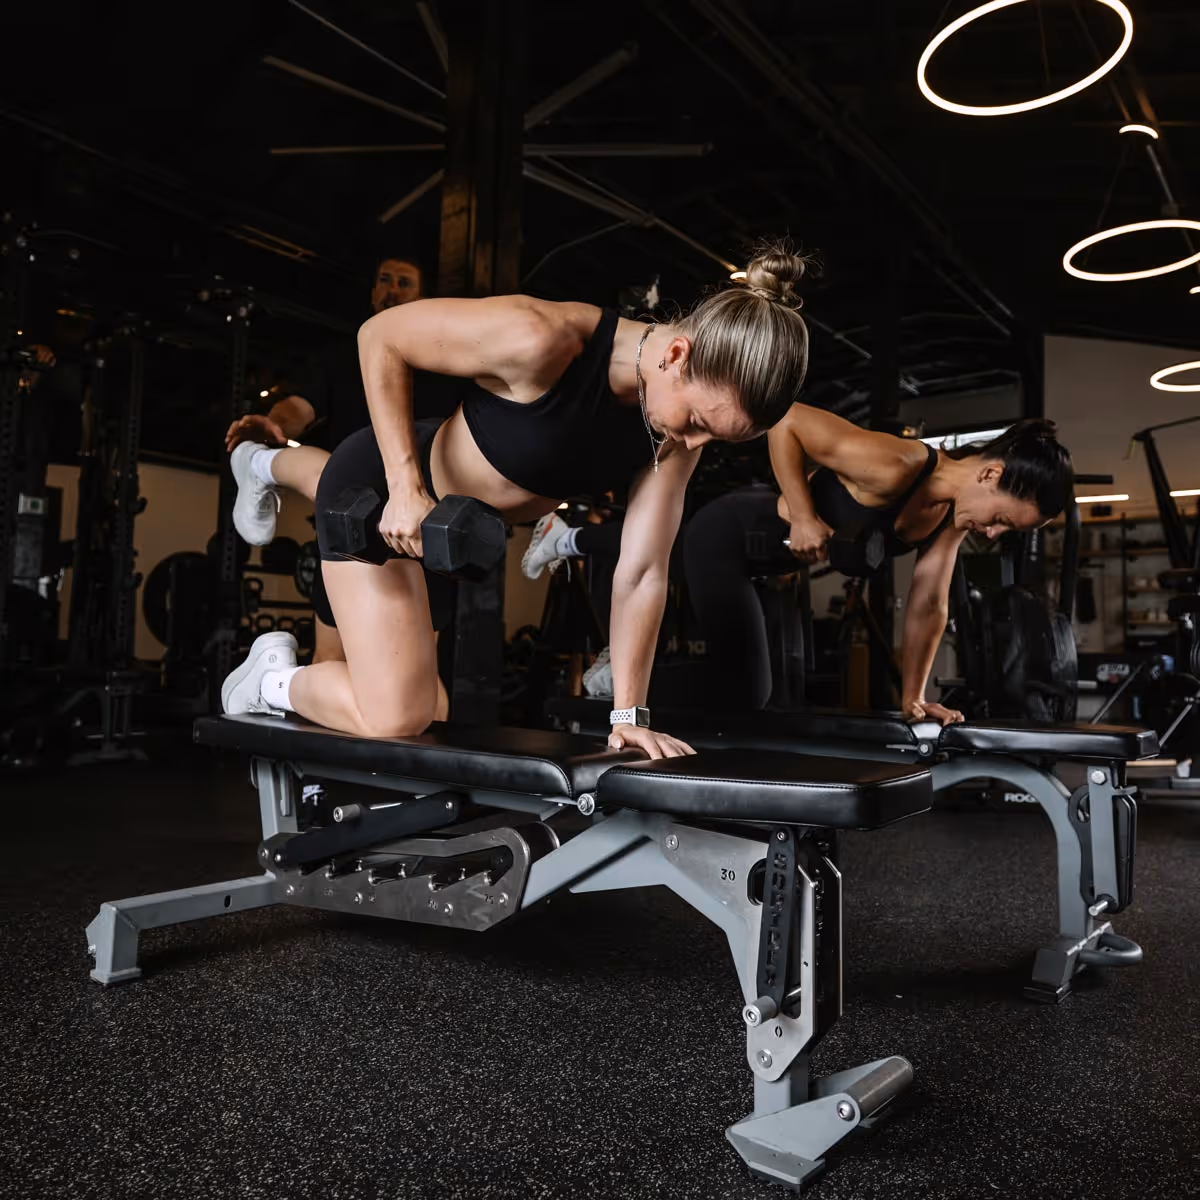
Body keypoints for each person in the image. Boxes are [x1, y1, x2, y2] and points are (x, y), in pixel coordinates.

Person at [220, 244, 814, 758]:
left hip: (446, 536)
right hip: (384, 494)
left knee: (431, 716)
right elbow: (380, 336)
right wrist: (405, 488)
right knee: (395, 716)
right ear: (678, 354)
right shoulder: (541, 337)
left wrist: (628, 719)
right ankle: (268, 679)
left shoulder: (675, 429)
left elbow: (640, 572)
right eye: (697, 422)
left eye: (715, 438)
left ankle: (262, 466)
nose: (692, 443)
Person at [526, 415, 1074, 725]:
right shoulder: (895, 463)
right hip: (730, 536)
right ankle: (615, 677)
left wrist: (913, 697)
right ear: (991, 474)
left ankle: (611, 650)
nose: (993, 533)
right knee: (746, 687)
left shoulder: (951, 518)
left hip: (763, 566)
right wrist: (805, 511)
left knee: (747, 685)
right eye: (1003, 519)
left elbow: (930, 600)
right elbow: (786, 423)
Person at [223, 256, 433, 664]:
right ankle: (258, 463)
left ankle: (276, 685)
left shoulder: (442, 366)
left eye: (404, 282)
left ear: (420, 296)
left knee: (420, 674)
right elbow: (299, 408)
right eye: (384, 280)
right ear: (373, 293)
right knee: (332, 659)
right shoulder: (343, 357)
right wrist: (274, 422)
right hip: (350, 515)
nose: (392, 289)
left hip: (417, 524)